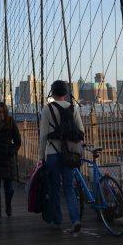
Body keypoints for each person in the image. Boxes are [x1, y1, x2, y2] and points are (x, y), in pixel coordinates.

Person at [38, 80, 84, 235]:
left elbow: (44, 135)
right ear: (66, 93)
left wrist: (41, 156)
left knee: (55, 188)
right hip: (69, 153)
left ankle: (57, 220)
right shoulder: (73, 108)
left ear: (52, 92)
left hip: (52, 153)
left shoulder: (47, 109)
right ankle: (75, 219)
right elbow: (81, 131)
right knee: (69, 188)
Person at [0, 102, 21, 224]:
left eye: (3, 112)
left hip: (7, 160)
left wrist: (11, 151)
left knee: (9, 190)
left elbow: (18, 141)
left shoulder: (11, 123)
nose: (1, 114)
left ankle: (8, 205)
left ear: (6, 112)